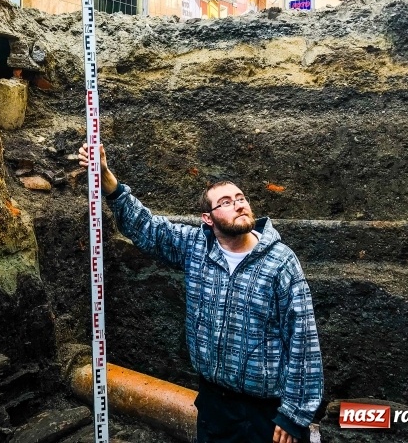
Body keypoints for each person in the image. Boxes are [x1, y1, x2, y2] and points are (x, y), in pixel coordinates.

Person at [78, 144, 323, 443]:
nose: (239, 205)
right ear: (208, 218)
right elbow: (147, 229)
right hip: (213, 404)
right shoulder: (196, 247)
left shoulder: (280, 261)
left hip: (264, 414)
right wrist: (108, 182)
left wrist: (295, 415)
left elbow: (303, 338)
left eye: (241, 198)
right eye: (226, 202)